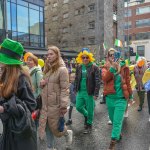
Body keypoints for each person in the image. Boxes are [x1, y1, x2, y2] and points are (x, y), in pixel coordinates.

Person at [0, 38, 37, 150]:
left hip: (19, 132)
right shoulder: (6, 74)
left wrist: (5, 108)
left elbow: (31, 104)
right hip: (8, 128)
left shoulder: (21, 78)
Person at [38, 46, 73, 150]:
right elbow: (44, 84)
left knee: (56, 128)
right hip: (45, 104)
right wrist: (41, 84)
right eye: (47, 54)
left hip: (56, 104)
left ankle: (67, 133)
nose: (48, 56)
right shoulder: (47, 69)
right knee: (47, 126)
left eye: (51, 54)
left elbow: (65, 89)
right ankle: (50, 147)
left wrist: (63, 105)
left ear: (57, 55)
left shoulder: (62, 70)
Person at [102, 48, 133, 150]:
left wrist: (131, 95)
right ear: (108, 56)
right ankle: (118, 134)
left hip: (121, 99)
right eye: (110, 55)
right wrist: (112, 69)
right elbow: (105, 79)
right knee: (112, 119)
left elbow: (128, 82)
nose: (112, 57)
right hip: (110, 98)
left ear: (118, 56)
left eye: (114, 55)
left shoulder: (124, 67)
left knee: (117, 121)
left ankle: (112, 143)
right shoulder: (105, 67)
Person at [75, 48, 100, 134]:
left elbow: (97, 81)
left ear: (90, 58)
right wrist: (75, 89)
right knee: (78, 106)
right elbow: (76, 78)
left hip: (89, 92)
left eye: (86, 57)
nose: (85, 59)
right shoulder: (78, 67)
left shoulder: (95, 67)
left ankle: (89, 124)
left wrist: (96, 94)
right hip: (80, 91)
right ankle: (88, 116)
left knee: (90, 109)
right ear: (81, 58)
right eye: (83, 57)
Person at [26, 54, 43, 127]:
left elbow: (40, 88)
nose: (28, 62)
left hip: (34, 99)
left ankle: (34, 136)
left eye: (31, 60)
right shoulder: (27, 71)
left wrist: (38, 99)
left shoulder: (37, 72)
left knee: (34, 119)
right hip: (28, 98)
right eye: (27, 60)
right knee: (30, 118)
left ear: (35, 62)